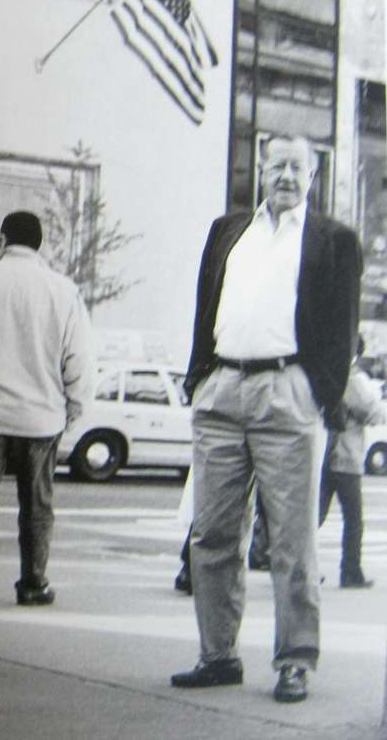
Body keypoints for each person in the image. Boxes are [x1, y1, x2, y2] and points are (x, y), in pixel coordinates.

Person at [171, 134, 361, 704]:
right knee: (211, 534)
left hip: (289, 393)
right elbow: (206, 304)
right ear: (261, 168)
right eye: (276, 164)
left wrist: (317, 393)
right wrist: (198, 374)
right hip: (222, 391)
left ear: (313, 173)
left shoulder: (333, 240)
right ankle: (218, 655)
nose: (286, 175)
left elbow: (342, 330)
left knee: (292, 538)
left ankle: (295, 660)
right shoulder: (228, 230)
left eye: (297, 167)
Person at [0, 211, 93, 610]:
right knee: (38, 503)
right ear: (40, 243)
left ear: (2, 240)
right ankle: (33, 581)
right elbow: (77, 357)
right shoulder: (63, 291)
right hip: (41, 416)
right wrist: (76, 404)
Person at [319, 336, 383, 589]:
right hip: (346, 457)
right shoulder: (352, 378)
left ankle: (297, 564)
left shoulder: (327, 372)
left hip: (326, 454)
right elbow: (374, 413)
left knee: (315, 515)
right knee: (354, 519)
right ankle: (350, 571)